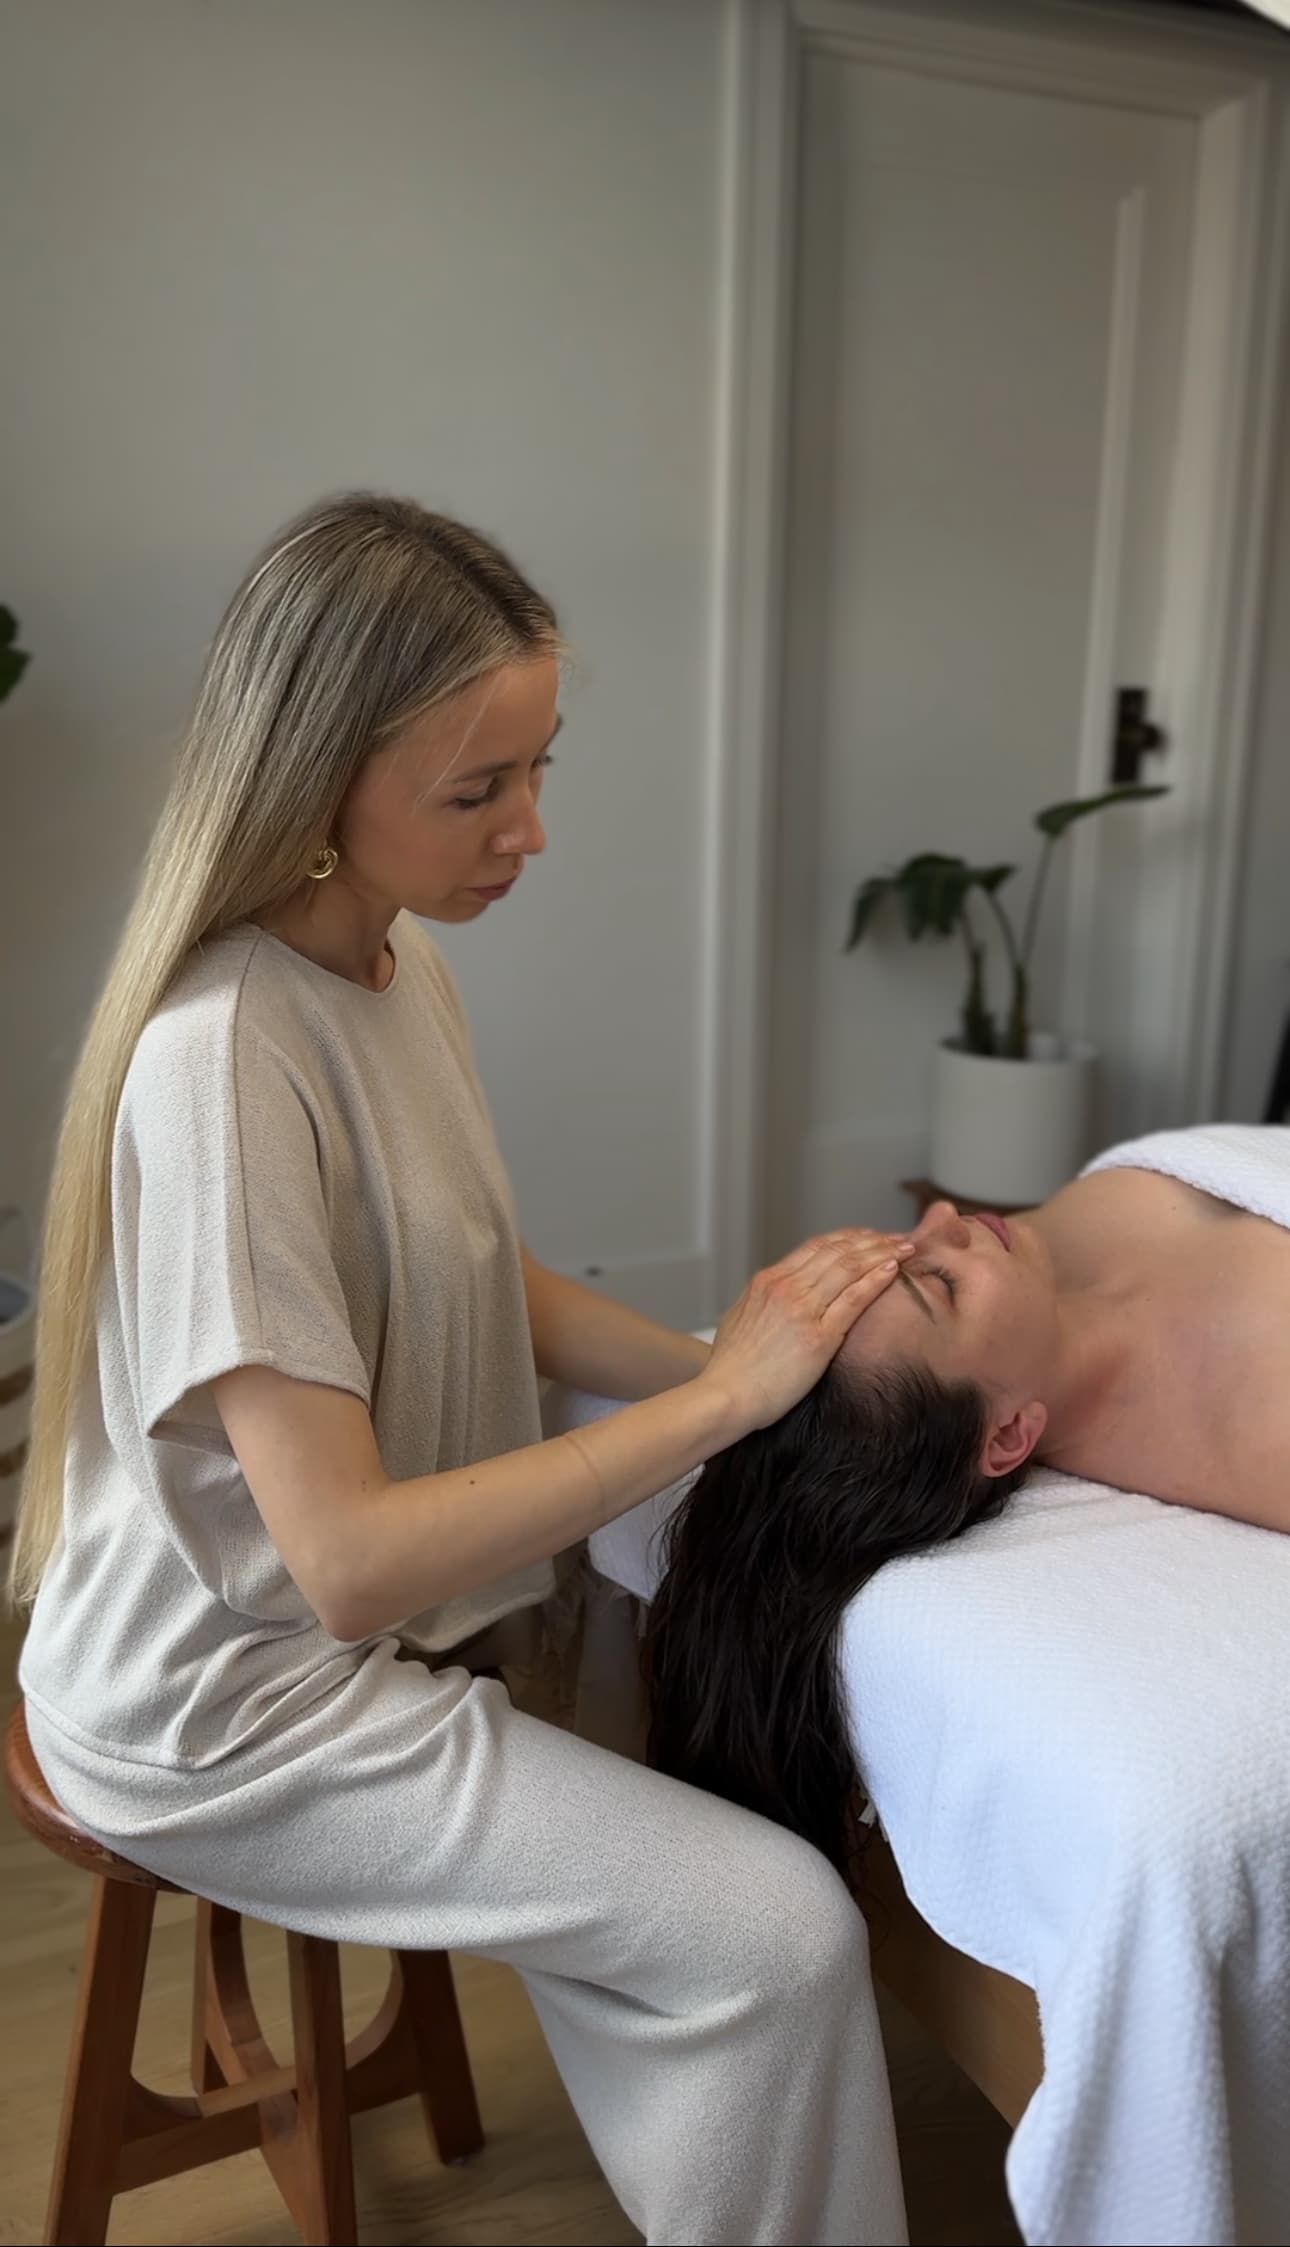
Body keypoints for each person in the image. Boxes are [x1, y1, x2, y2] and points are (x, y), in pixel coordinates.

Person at [10, 493, 915, 2247]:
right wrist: (718, 1405)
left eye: (538, 767)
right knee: (783, 1927)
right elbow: (341, 1560)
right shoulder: (223, 1063)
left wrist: (746, 1363)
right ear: (319, 790)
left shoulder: (389, 962)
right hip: (226, 1709)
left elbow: (473, 1283)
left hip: (318, 1651)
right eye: (477, 790)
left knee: (696, 1852)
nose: (534, 831)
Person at [647, 1126, 1290, 1874]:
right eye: (942, 1284)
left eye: (901, 1247)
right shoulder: (1256, 1421)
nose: (945, 1217)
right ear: (1009, 1437)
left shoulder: (1037, 1268)